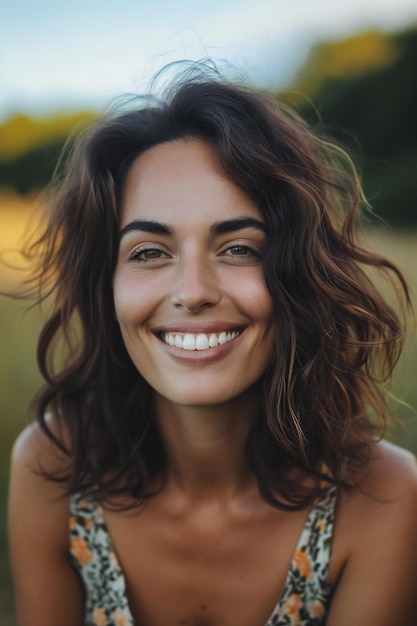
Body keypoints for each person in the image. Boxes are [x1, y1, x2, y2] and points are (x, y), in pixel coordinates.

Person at [7, 68, 417, 626]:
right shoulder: (53, 466)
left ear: (298, 273)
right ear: (107, 285)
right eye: (149, 252)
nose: (193, 292)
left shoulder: (386, 498)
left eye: (240, 249)